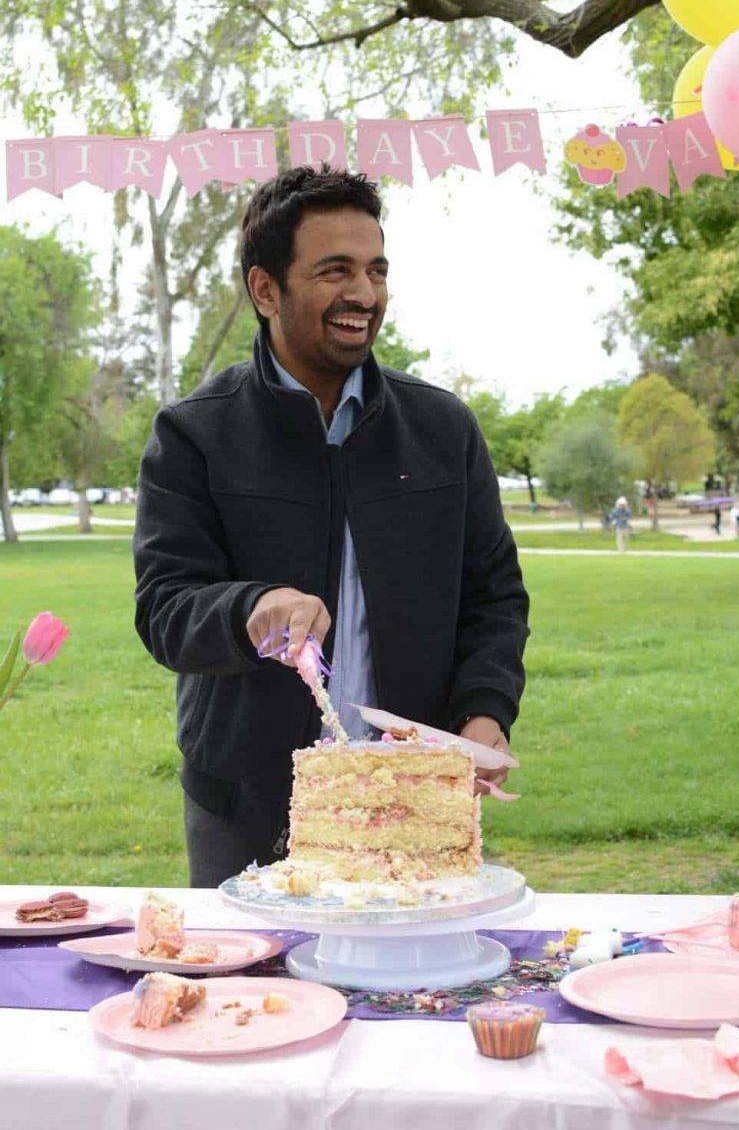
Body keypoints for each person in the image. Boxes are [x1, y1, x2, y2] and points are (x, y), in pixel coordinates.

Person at [133, 165, 530, 889]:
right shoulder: (194, 435)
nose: (365, 295)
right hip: (245, 812)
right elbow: (164, 610)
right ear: (265, 290)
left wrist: (484, 714)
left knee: (410, 999)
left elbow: (494, 598)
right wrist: (251, 608)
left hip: (413, 804)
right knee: (259, 1001)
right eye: (335, 271)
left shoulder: (444, 430)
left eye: (376, 269)